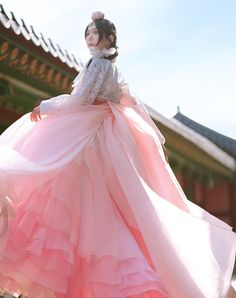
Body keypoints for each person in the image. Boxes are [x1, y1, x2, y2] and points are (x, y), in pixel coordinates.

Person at [0, 11, 235, 298]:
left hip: (91, 136)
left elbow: (83, 100)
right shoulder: (110, 68)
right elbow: (128, 99)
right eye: (87, 34)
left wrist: (47, 107)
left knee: (72, 192)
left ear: (108, 38)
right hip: (103, 133)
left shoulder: (99, 66)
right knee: (103, 204)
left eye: (94, 34)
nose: (89, 38)